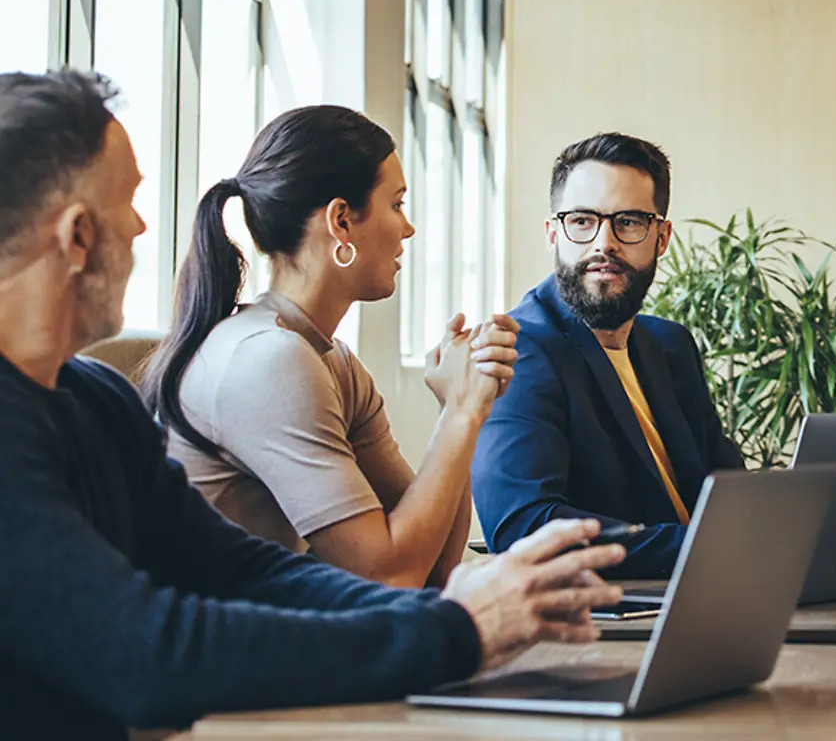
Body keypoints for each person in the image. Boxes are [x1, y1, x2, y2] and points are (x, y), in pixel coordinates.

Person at [0, 70, 624, 739]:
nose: (141, 224)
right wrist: (453, 629)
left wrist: (450, 620)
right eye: (127, 201)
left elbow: (241, 568)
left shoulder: (95, 399)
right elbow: (146, 652)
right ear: (76, 236)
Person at [143, 105, 513, 588]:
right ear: (341, 221)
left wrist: (458, 411)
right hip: (208, 650)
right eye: (397, 204)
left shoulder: (329, 359)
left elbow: (437, 568)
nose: (408, 229)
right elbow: (390, 577)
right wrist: (462, 413)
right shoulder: (268, 360)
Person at [472, 133, 745, 579]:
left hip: (709, 596)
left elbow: (728, 491)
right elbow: (522, 528)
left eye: (630, 222)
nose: (604, 243)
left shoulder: (671, 346)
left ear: (662, 237)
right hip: (603, 622)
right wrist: (703, 547)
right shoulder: (521, 350)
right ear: (553, 234)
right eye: (582, 221)